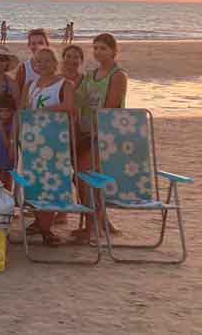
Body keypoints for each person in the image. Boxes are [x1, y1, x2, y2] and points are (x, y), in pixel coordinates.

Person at [74, 33, 127, 240]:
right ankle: (100, 220)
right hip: (86, 130)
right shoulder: (92, 74)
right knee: (82, 177)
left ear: (113, 51)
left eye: (103, 48)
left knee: (88, 178)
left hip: (105, 133)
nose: (98, 52)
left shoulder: (117, 75)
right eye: (95, 48)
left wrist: (94, 133)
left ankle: (91, 228)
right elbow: (79, 100)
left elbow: (111, 107)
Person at [25, 47, 75, 246]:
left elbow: (69, 107)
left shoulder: (65, 84)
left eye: (47, 61)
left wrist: (43, 111)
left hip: (56, 142)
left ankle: (47, 228)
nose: (42, 64)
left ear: (55, 63)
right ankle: (42, 226)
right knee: (35, 183)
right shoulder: (30, 84)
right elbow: (24, 110)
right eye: (38, 61)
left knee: (53, 183)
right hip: (32, 141)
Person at [16, 28, 51, 96]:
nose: (37, 46)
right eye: (33, 43)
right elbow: (18, 94)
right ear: (29, 45)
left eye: (41, 43)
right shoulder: (23, 69)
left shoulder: (55, 67)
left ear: (47, 44)